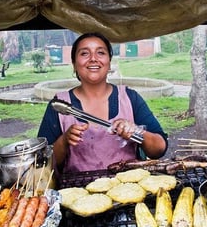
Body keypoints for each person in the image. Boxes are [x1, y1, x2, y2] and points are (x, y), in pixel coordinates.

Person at [37, 32, 168, 175]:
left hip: (129, 189)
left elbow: (160, 148)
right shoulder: (59, 105)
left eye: (100, 52)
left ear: (109, 62)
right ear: (74, 64)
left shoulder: (130, 98)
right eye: (84, 53)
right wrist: (64, 141)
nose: (93, 59)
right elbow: (42, 162)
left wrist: (136, 131)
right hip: (77, 192)